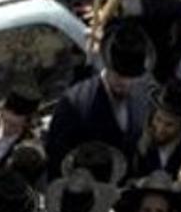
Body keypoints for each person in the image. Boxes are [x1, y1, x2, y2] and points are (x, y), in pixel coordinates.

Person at [46, 21, 154, 172]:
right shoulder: (75, 103)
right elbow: (56, 158)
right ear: (107, 64)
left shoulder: (143, 95)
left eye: (130, 76)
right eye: (117, 73)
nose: (123, 81)